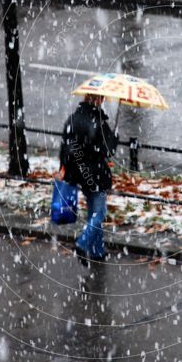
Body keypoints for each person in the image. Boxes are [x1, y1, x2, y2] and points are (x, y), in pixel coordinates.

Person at [58, 94, 118, 264]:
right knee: (99, 213)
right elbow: (108, 151)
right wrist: (115, 137)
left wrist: (64, 168)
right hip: (96, 174)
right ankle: (83, 244)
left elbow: (65, 146)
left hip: (79, 173)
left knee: (93, 212)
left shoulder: (73, 119)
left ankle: (97, 251)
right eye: (102, 99)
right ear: (97, 100)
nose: (103, 101)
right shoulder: (98, 122)